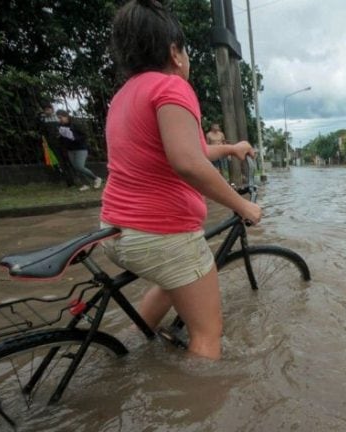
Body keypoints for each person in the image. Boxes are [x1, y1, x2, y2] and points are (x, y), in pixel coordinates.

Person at [101, 0, 261, 360]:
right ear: (175, 52)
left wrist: (231, 148)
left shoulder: (124, 96)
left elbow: (190, 150)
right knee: (207, 335)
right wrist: (242, 205)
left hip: (118, 233)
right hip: (162, 236)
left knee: (171, 282)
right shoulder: (171, 87)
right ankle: (203, 408)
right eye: (186, 50)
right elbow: (188, 162)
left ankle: (122, 355)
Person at [55, 110, 103, 191]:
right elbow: (62, 138)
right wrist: (60, 137)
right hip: (70, 149)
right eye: (58, 118)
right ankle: (86, 184)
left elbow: (84, 135)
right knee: (75, 167)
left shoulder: (75, 123)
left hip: (80, 148)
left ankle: (96, 178)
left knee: (80, 166)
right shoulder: (60, 126)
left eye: (61, 118)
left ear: (66, 116)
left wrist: (74, 138)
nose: (60, 120)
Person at [38, 102, 76, 187]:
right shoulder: (43, 120)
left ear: (52, 109)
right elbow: (42, 132)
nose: (47, 111)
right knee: (61, 162)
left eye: (49, 109)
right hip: (53, 144)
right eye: (45, 110)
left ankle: (75, 177)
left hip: (63, 142)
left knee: (68, 160)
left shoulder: (58, 118)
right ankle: (69, 182)